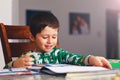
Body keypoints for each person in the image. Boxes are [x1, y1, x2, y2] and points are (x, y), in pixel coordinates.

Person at [5, 12, 112, 69]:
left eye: (54, 37)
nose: (50, 41)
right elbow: (5, 69)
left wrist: (91, 59)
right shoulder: (27, 57)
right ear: (32, 37)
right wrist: (15, 64)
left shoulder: (60, 54)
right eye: (45, 37)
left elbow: (76, 58)